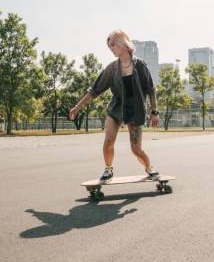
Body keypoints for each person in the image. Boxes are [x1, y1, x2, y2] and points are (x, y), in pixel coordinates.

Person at [69, 29, 161, 182]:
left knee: (136, 150)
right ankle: (108, 169)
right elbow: (94, 90)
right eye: (109, 46)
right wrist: (77, 107)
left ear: (122, 43)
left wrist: (154, 112)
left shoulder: (140, 66)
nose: (111, 48)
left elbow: (151, 90)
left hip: (135, 109)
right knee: (109, 141)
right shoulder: (112, 68)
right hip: (116, 108)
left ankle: (149, 168)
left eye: (113, 44)